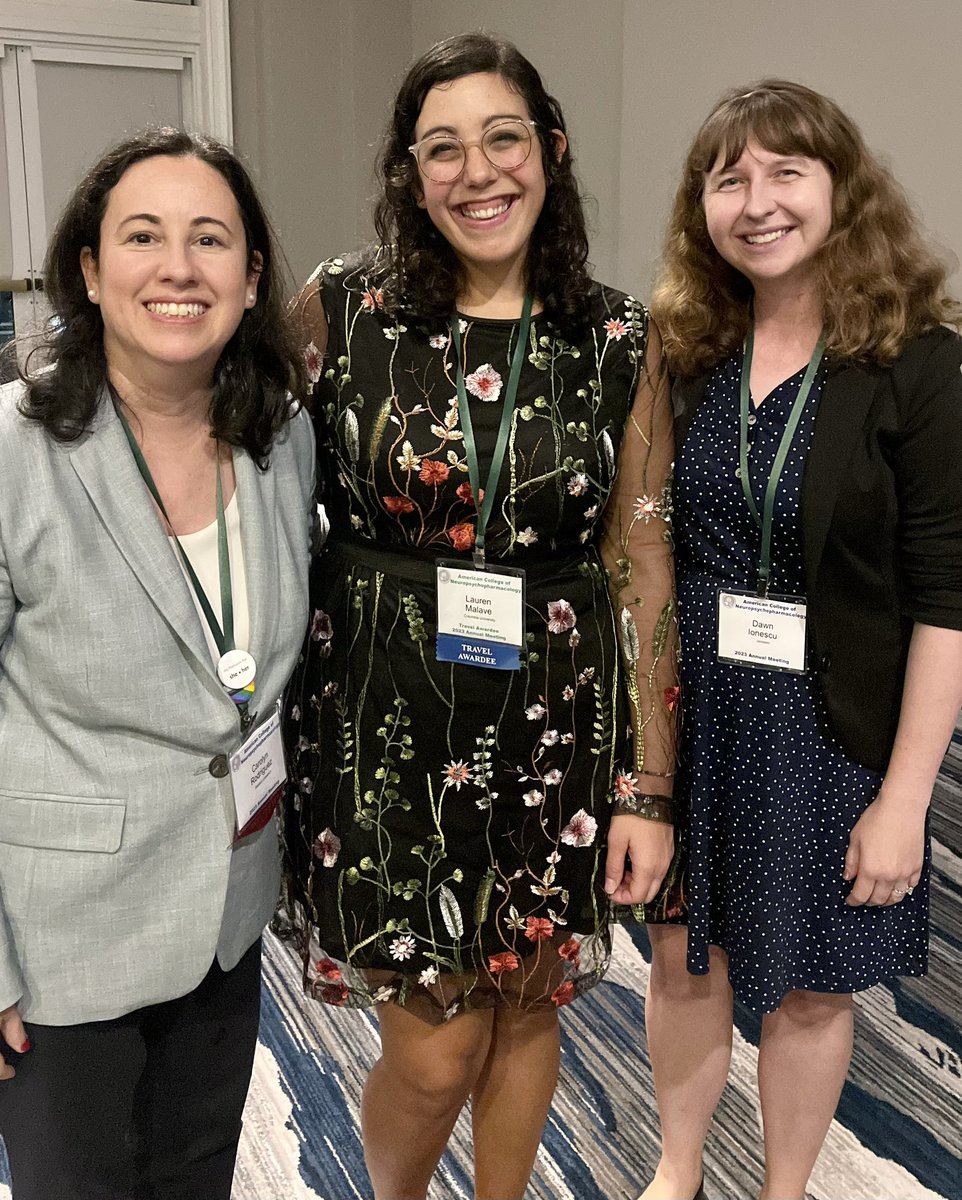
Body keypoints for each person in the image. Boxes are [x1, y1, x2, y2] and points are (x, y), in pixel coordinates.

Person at [281, 32, 680, 1200]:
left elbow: (641, 558)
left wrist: (644, 788)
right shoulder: (344, 308)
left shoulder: (614, 338)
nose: (476, 171)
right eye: (440, 149)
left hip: (553, 724)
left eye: (501, 138)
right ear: (409, 175)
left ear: (548, 150)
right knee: (436, 1041)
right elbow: (231, 454)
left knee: (524, 1001)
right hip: (384, 729)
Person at [642, 80, 962, 1200]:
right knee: (685, 959)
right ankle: (675, 1169)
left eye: (785, 172)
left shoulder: (914, 364)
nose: (755, 200)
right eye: (727, 177)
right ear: (701, 207)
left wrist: (903, 801)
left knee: (811, 984)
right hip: (698, 713)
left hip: (831, 728)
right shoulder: (688, 352)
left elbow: (945, 602)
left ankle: (783, 1188)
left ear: (840, 190)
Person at [0, 128, 315, 1199]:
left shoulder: (278, 436)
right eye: (142, 236)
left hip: (225, 913)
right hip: (61, 934)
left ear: (251, 274)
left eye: (209, 239)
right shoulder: (14, 447)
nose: (178, 268)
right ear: (89, 270)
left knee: (193, 1175)